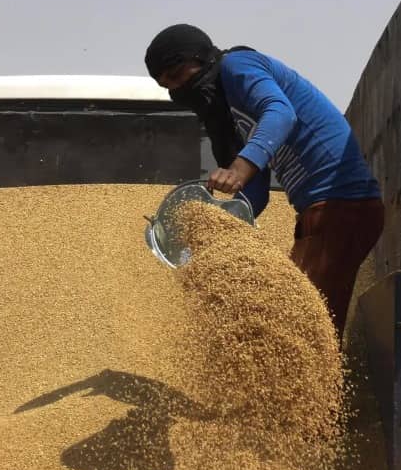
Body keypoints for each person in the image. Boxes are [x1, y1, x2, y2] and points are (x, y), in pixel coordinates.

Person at [144, 24, 383, 339]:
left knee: (295, 327)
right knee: (307, 328)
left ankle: (308, 389)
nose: (178, 88)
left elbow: (281, 113)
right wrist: (213, 229)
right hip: (319, 216)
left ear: (199, 58)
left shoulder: (237, 66)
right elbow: (253, 196)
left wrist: (240, 167)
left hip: (343, 205)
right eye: (168, 85)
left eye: (178, 74)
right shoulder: (226, 114)